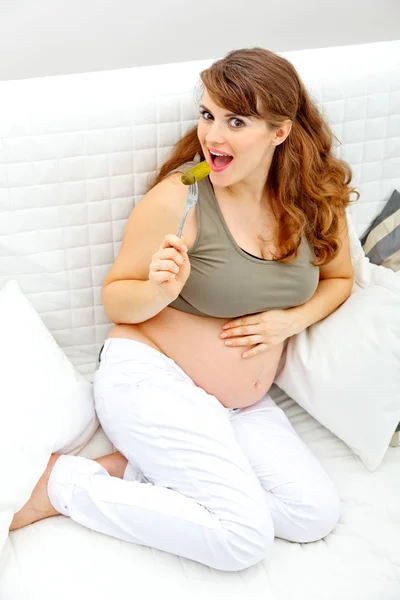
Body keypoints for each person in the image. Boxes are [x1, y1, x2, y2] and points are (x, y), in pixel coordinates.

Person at [10, 47, 356, 571]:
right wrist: (158, 291)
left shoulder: (315, 200)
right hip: (154, 377)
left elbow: (340, 279)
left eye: (235, 121)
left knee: (312, 515)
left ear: (279, 132)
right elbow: (116, 296)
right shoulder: (181, 199)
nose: (212, 136)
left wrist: (292, 320)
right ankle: (61, 485)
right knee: (242, 540)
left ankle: (141, 469)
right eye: (208, 114)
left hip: (241, 407)